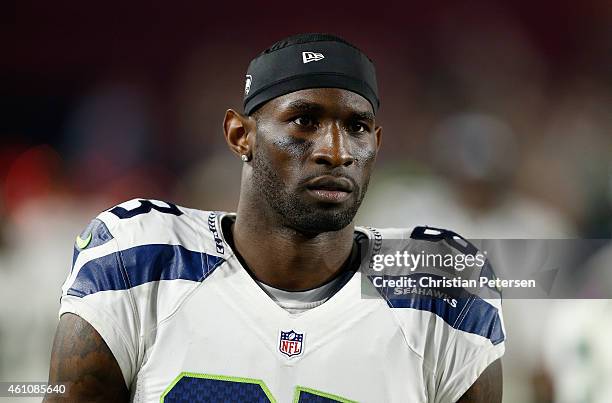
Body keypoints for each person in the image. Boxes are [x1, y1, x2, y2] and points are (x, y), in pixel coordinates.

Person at [45, 33, 504, 402]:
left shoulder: (440, 284)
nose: (335, 151)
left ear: (377, 144)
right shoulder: (140, 256)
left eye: (357, 127)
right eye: (304, 121)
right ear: (240, 135)